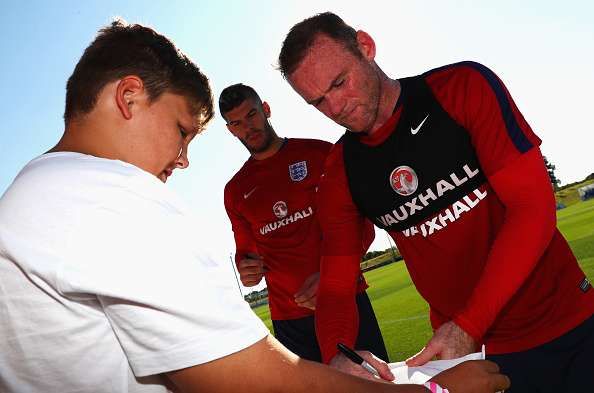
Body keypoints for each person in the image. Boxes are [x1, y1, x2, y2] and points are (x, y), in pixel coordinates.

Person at [0, 19, 510, 393]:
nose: (181, 161)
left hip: (341, 308)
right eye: (181, 131)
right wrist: (434, 391)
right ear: (129, 97)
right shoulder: (114, 200)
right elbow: (257, 380)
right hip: (289, 328)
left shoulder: (29, 193)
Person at [278, 11, 594, 392]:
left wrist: (470, 324)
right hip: (478, 358)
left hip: (568, 322)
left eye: (340, 83)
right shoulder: (339, 174)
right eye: (317, 102)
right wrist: (339, 354)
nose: (335, 108)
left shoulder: (461, 89)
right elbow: (337, 285)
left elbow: (533, 209)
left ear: (365, 46)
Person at [220, 83, 388, 363]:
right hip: (290, 318)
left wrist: (333, 276)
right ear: (230, 130)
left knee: (374, 386)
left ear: (266, 109)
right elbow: (246, 253)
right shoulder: (235, 190)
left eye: (251, 115)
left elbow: (363, 225)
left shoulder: (320, 154)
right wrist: (247, 269)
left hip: (343, 297)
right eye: (236, 122)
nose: (247, 127)